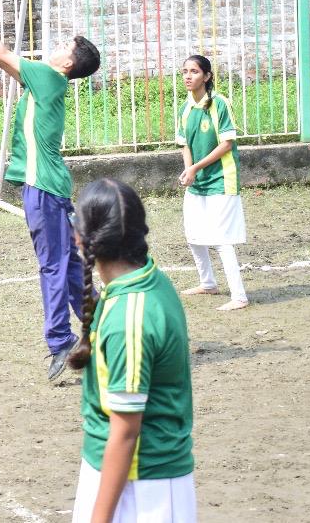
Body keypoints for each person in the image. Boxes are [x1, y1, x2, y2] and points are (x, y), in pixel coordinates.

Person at [0, 0, 100, 382]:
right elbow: (3, 61)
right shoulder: (46, 82)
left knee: (54, 265)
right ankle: (108, 325)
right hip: (47, 187)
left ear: (68, 63)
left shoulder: (49, 76)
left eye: (63, 47)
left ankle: (61, 341)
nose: (56, 47)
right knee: (71, 266)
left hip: (43, 188)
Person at [68, 178, 196, 523]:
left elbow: (125, 432)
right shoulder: (142, 280)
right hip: (127, 478)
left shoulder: (131, 318)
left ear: (81, 238)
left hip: (142, 489)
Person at [176, 54, 249, 311]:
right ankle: (208, 283)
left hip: (222, 180)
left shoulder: (219, 104)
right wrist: (189, 170)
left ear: (206, 76)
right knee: (194, 235)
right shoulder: (185, 108)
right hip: (198, 181)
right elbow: (184, 143)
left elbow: (227, 143)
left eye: (194, 71)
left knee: (221, 238)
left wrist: (196, 167)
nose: (187, 76)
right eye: (185, 71)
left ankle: (239, 296)